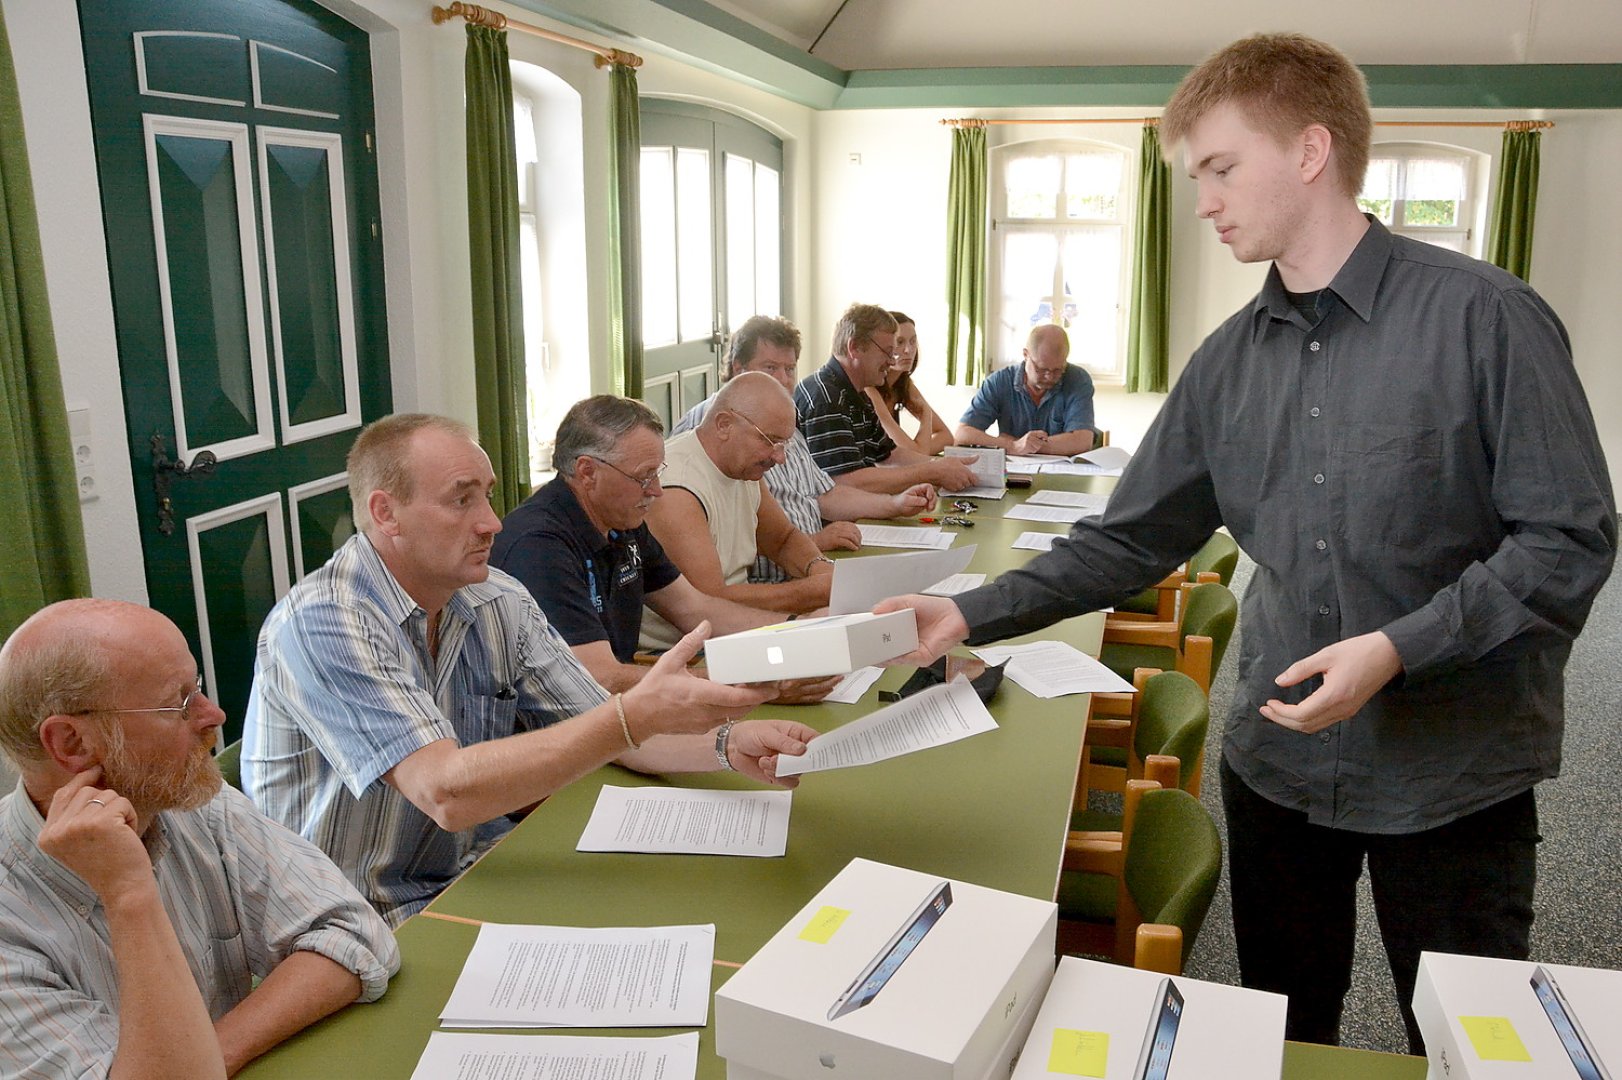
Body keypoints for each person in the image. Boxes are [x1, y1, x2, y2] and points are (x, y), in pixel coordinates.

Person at [878, 32, 1615, 1054]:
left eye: (1219, 169)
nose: (1203, 201)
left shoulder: (1485, 319)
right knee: (1278, 1026)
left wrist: (1397, 647)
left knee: (1463, 1044)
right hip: (1276, 766)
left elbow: (1568, 539)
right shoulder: (1225, 362)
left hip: (1452, 772)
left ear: (1310, 151)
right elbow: (1127, 542)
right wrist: (964, 609)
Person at [244, 414, 817, 925]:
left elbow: (617, 734)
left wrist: (729, 744)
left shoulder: (496, 599)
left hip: (470, 873)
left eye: (488, 497)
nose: (492, 522)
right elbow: (445, 792)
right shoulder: (323, 622)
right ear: (385, 513)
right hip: (355, 920)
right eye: (461, 500)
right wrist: (632, 716)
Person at [0, 599, 399, 1079]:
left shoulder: (188, 800)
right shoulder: (11, 920)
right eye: (180, 703)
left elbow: (355, 933)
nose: (214, 715)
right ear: (72, 743)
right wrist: (128, 893)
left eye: (200, 689)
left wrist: (210, 1054)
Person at [492, 395, 835, 701]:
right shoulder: (540, 546)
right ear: (587, 472)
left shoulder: (623, 521)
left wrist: (796, 630)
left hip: (622, 710)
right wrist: (750, 686)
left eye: (658, 473)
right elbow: (599, 678)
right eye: (644, 477)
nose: (656, 491)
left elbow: (696, 609)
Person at [674, 315, 936, 583]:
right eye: (770, 367)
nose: (783, 379)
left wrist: (895, 504)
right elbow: (727, 547)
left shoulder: (784, 422)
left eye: (790, 369)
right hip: (767, 584)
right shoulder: (713, 426)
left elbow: (825, 495)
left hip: (805, 565)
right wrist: (816, 544)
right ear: (738, 368)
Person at [642, 373, 838, 650]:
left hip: (737, 632)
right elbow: (710, 602)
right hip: (681, 651)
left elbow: (783, 538)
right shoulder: (678, 488)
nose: (779, 457)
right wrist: (812, 593)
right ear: (724, 425)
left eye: (784, 444)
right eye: (769, 441)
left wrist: (818, 567)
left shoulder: (744, 469)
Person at [795, 303, 980, 494]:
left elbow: (889, 454)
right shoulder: (827, 399)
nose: (892, 361)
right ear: (854, 348)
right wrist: (932, 470)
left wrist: (943, 464)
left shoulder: (855, 392)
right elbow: (846, 482)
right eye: (887, 352)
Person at [954, 323, 1096, 455]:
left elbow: (1083, 441)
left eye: (1058, 370)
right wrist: (1013, 446)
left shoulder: (1078, 380)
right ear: (1025, 355)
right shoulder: (999, 382)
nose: (1049, 376)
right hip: (1015, 473)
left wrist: (1024, 445)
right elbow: (963, 435)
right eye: (1041, 369)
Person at [866, 311, 954, 456]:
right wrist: (926, 416)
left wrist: (917, 450)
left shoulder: (903, 383)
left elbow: (946, 437)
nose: (908, 350)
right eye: (899, 342)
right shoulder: (869, 388)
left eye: (913, 341)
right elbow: (912, 452)